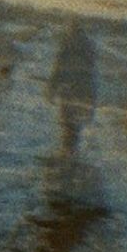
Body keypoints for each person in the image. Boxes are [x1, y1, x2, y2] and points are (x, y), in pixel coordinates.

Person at [48, 19, 98, 156]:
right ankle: (71, 151)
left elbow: (58, 68)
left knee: (68, 122)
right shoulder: (89, 46)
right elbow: (92, 73)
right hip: (82, 91)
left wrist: (51, 90)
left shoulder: (67, 43)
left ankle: (67, 152)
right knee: (75, 126)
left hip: (69, 90)